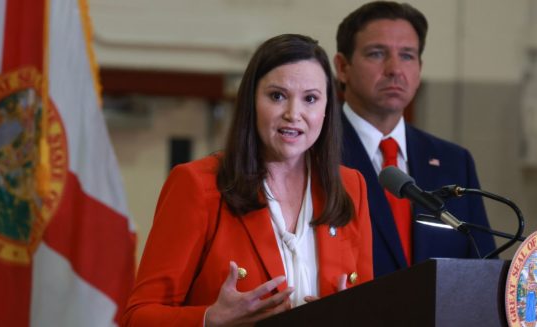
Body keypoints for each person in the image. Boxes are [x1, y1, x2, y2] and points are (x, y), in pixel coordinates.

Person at [122, 34, 373, 326]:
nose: (294, 114)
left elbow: (370, 307)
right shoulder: (197, 184)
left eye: (310, 99)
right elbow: (137, 317)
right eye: (277, 96)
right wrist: (209, 320)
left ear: (327, 109)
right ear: (251, 101)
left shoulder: (350, 186)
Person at [333, 1, 496, 278]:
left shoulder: (455, 162)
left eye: (407, 56)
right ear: (342, 67)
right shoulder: (314, 152)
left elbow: (482, 268)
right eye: (376, 53)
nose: (395, 69)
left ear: (419, 68)